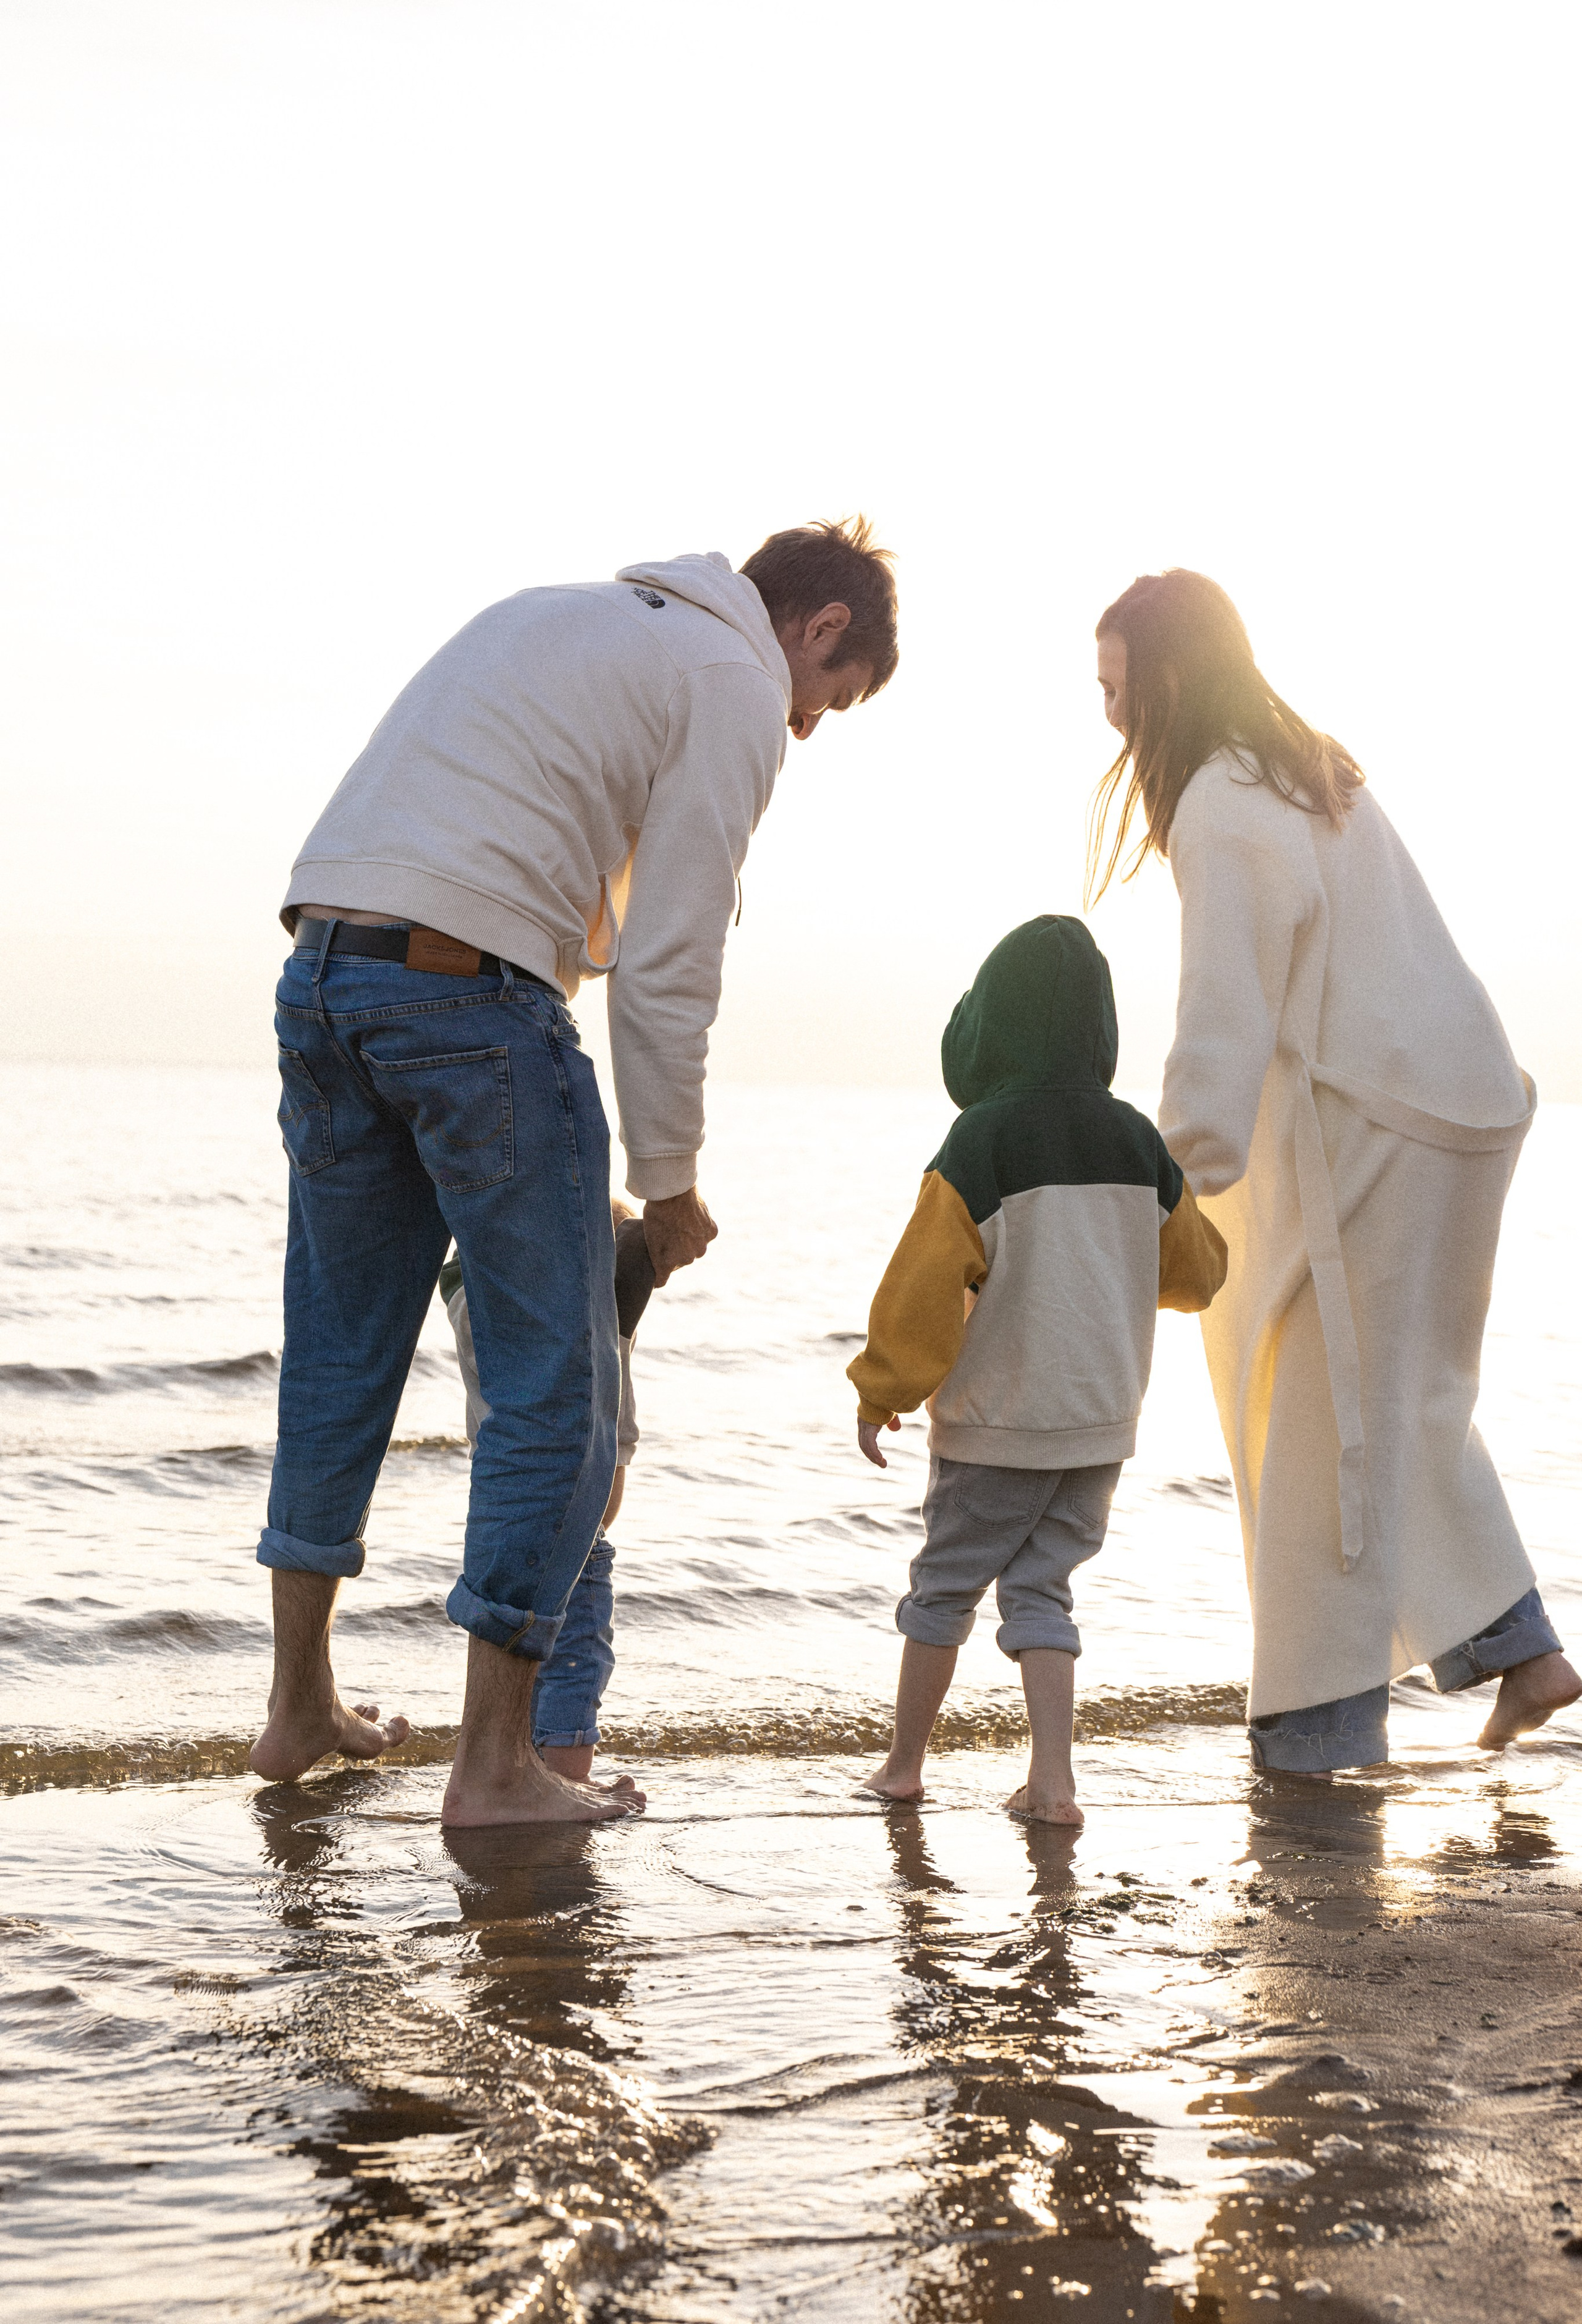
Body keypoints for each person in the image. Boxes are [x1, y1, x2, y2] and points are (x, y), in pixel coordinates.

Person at [248, 520, 899, 1824]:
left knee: (339, 1356)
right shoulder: (731, 683)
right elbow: (668, 957)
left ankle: (296, 1705)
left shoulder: (566, 616)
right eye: (832, 700)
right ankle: (495, 1768)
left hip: (325, 965)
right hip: (472, 999)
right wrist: (668, 1182)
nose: (810, 731)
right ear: (817, 630)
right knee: (564, 1392)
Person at [1091, 568, 1580, 1773]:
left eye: (1113, 692)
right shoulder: (1305, 766)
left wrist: (1164, 1179)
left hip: (1379, 1120)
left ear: (1163, 682)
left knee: (1315, 1416)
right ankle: (1519, 1654)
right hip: (1452, 1104)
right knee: (1395, 1399)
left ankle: (1315, 1736)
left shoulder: (1220, 798)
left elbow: (1223, 1009)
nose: (1106, 719)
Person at [847, 917, 1226, 1825]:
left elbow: (926, 1284)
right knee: (1042, 1591)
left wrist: (882, 1389)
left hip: (998, 1422)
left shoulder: (981, 1141)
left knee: (943, 1589)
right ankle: (1053, 1782)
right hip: (1098, 1426)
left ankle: (903, 1767)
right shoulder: (1139, 1143)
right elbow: (1199, 1271)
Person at [439, 1205, 653, 1783]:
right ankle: (566, 1782)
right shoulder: (583, 1324)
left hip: (508, 1519)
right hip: (572, 1528)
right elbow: (636, 1250)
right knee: (577, 1656)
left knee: (518, 1654)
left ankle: (522, 1769)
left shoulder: (469, 1290)